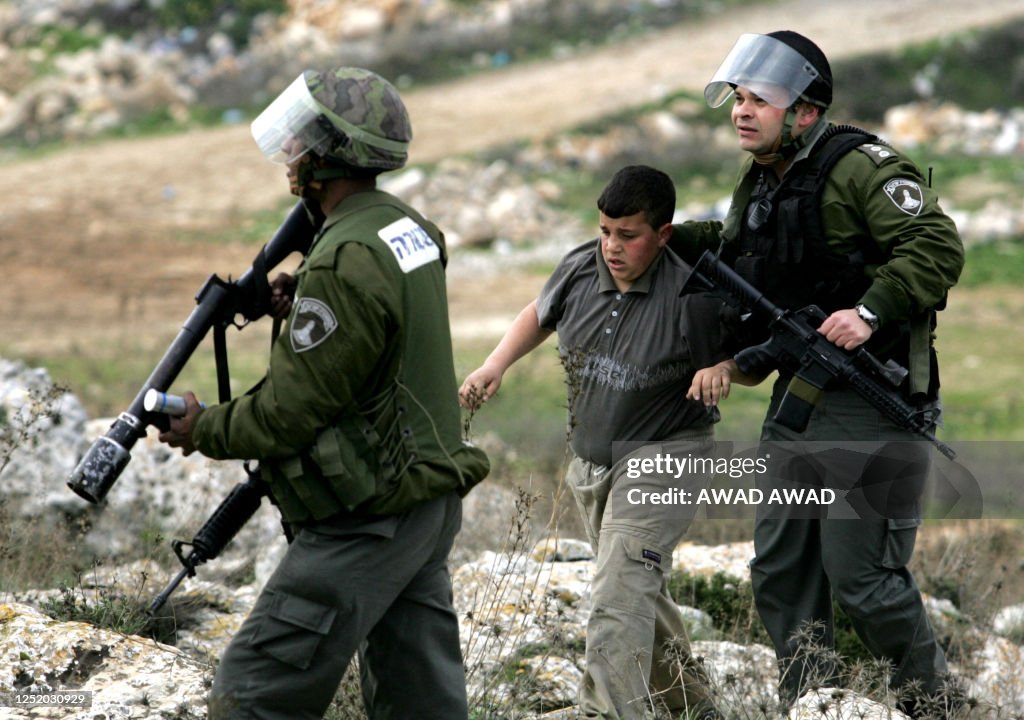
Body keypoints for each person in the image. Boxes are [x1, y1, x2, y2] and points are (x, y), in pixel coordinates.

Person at [157, 67, 490, 720]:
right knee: (422, 704)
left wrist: (203, 425)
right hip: (426, 501)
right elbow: (379, 331)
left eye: (304, 138)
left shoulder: (341, 259)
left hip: (366, 521)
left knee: (253, 695)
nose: (292, 151)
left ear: (332, 155)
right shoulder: (407, 228)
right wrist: (304, 294)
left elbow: (288, 414)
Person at [675, 31, 965, 717]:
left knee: (861, 577)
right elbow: (744, 259)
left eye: (759, 101)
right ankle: (814, 702)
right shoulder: (765, 182)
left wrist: (869, 310)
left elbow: (937, 243)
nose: (741, 112)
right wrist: (662, 234)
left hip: (877, 397)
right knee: (781, 566)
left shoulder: (861, 167)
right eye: (738, 100)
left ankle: (938, 704)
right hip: (803, 393)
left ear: (805, 113)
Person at [460, 165, 728, 720]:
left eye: (628, 235)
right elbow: (540, 313)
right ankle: (695, 709)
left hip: (666, 455)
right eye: (605, 230)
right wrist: (496, 364)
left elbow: (741, 363)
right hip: (592, 463)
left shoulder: (691, 293)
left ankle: (604, 713)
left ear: (663, 234)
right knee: (638, 593)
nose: (612, 245)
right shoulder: (581, 266)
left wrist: (723, 367)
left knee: (615, 591)